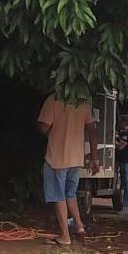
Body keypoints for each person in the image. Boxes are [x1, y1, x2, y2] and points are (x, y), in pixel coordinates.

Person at [37, 95, 98, 245]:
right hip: (76, 159)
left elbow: (43, 127)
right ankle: (79, 226)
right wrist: (95, 158)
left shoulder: (53, 100)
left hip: (56, 159)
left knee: (59, 196)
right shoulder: (83, 103)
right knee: (70, 194)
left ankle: (65, 236)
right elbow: (92, 130)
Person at [114, 115, 128, 213]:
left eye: (120, 122)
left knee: (126, 182)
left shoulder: (127, 134)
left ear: (124, 123)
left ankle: (127, 205)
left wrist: (113, 141)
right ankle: (122, 203)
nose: (118, 124)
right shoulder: (125, 133)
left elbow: (120, 147)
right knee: (123, 182)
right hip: (126, 161)